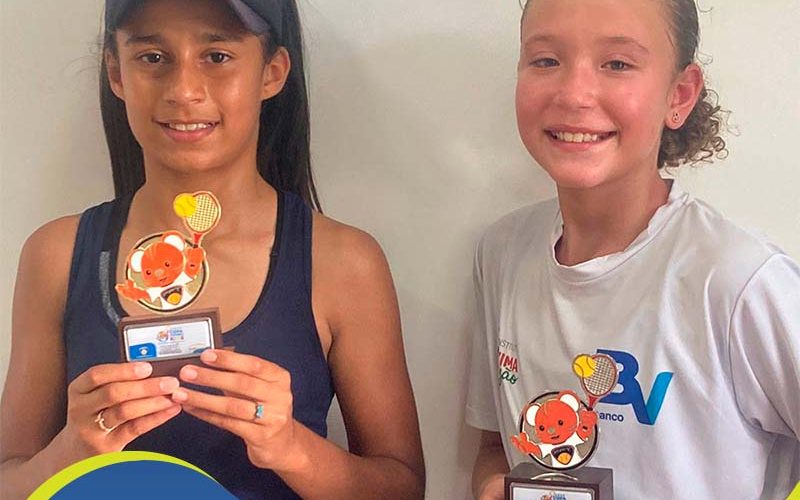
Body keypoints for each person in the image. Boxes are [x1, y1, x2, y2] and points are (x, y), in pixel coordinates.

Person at [0, 1, 425, 498]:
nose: (184, 90)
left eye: (217, 56)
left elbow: (403, 488)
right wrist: (71, 450)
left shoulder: (343, 262)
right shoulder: (57, 255)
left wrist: (292, 448)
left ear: (272, 72)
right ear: (116, 72)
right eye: (153, 57)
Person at [466, 0, 800, 498]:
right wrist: (493, 487)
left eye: (617, 64)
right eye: (546, 60)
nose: (574, 94)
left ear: (679, 95)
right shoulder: (502, 253)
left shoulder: (740, 281)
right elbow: (498, 444)